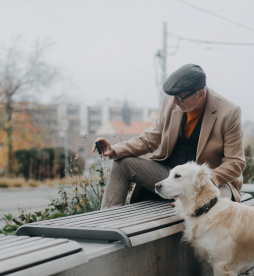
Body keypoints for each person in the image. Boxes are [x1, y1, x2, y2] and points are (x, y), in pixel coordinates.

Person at [92, 64, 245, 209]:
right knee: (122, 164)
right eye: (173, 96)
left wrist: (207, 180)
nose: (174, 101)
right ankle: (108, 225)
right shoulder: (171, 100)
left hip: (207, 181)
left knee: (212, 205)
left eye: (180, 97)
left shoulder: (229, 112)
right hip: (171, 174)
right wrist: (113, 150)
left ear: (200, 94)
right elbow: (149, 140)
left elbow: (236, 162)